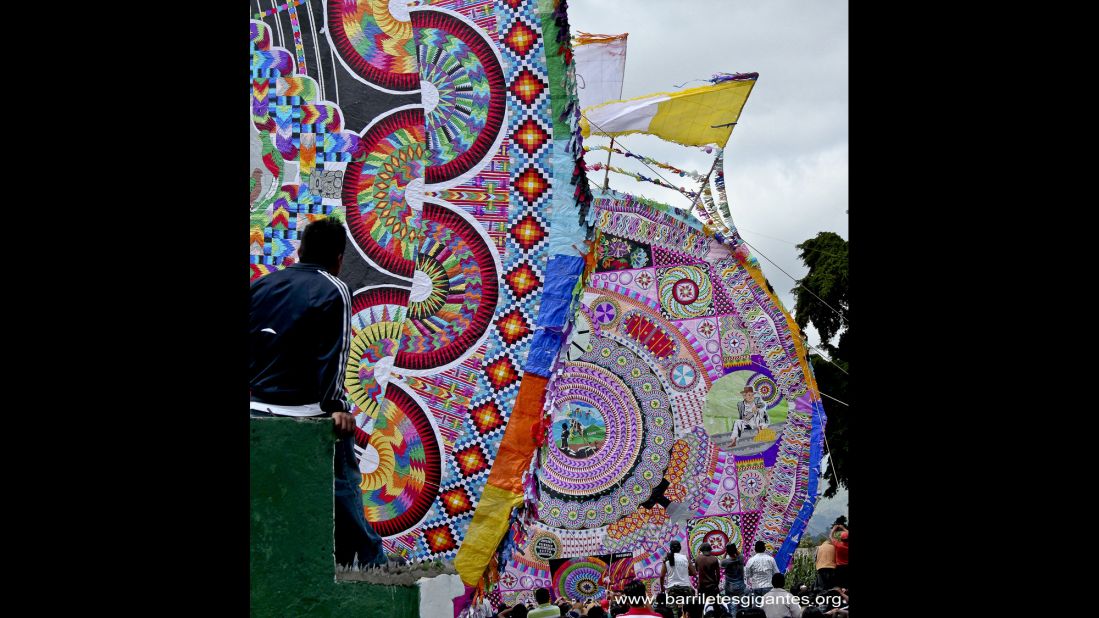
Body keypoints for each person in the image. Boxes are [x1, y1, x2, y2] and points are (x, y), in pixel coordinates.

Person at [249, 216, 385, 569]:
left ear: (299, 249)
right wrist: (335, 405)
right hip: (303, 412)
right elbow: (335, 354)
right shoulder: (334, 289)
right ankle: (374, 564)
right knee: (344, 485)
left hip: (257, 411)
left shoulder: (262, 286)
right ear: (339, 258)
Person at [661, 540, 696, 617]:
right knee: (691, 610)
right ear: (680, 548)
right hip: (686, 587)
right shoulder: (685, 558)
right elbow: (694, 573)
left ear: (670, 548)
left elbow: (662, 576)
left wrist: (662, 588)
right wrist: (685, 573)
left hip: (672, 588)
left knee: (673, 613)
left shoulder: (666, 559)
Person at [720, 542, 747, 616]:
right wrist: (735, 550)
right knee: (744, 607)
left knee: (732, 608)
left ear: (728, 551)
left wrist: (726, 552)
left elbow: (721, 562)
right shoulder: (741, 558)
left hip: (730, 588)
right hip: (741, 586)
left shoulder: (726, 562)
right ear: (735, 550)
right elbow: (739, 554)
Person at [695, 543, 722, 607]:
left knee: (702, 606)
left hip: (702, 587)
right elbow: (718, 574)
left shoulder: (698, 559)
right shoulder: (714, 559)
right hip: (712, 587)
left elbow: (697, 570)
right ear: (710, 550)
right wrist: (716, 584)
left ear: (702, 551)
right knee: (716, 606)